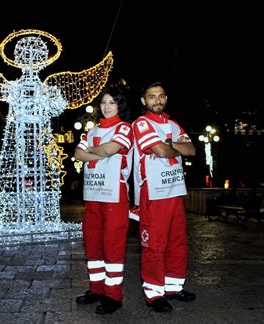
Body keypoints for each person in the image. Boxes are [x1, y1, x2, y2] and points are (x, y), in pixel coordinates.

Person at [132, 81, 196, 313]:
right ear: (144, 101)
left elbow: (191, 150)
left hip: (176, 190)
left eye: (161, 96)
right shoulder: (140, 123)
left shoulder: (173, 124)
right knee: (154, 244)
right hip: (154, 191)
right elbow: (160, 151)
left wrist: (170, 144)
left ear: (166, 98)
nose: (157, 100)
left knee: (178, 242)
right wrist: (174, 145)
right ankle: (154, 293)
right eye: (151, 97)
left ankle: (173, 287)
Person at [74, 85, 133, 314]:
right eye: (103, 103)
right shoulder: (91, 131)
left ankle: (114, 296)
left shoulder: (124, 128)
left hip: (114, 195)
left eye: (111, 102)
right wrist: (99, 150)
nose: (106, 106)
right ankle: (96, 289)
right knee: (93, 244)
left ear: (119, 105)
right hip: (92, 195)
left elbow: (112, 148)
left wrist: (93, 150)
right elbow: (78, 154)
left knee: (113, 245)